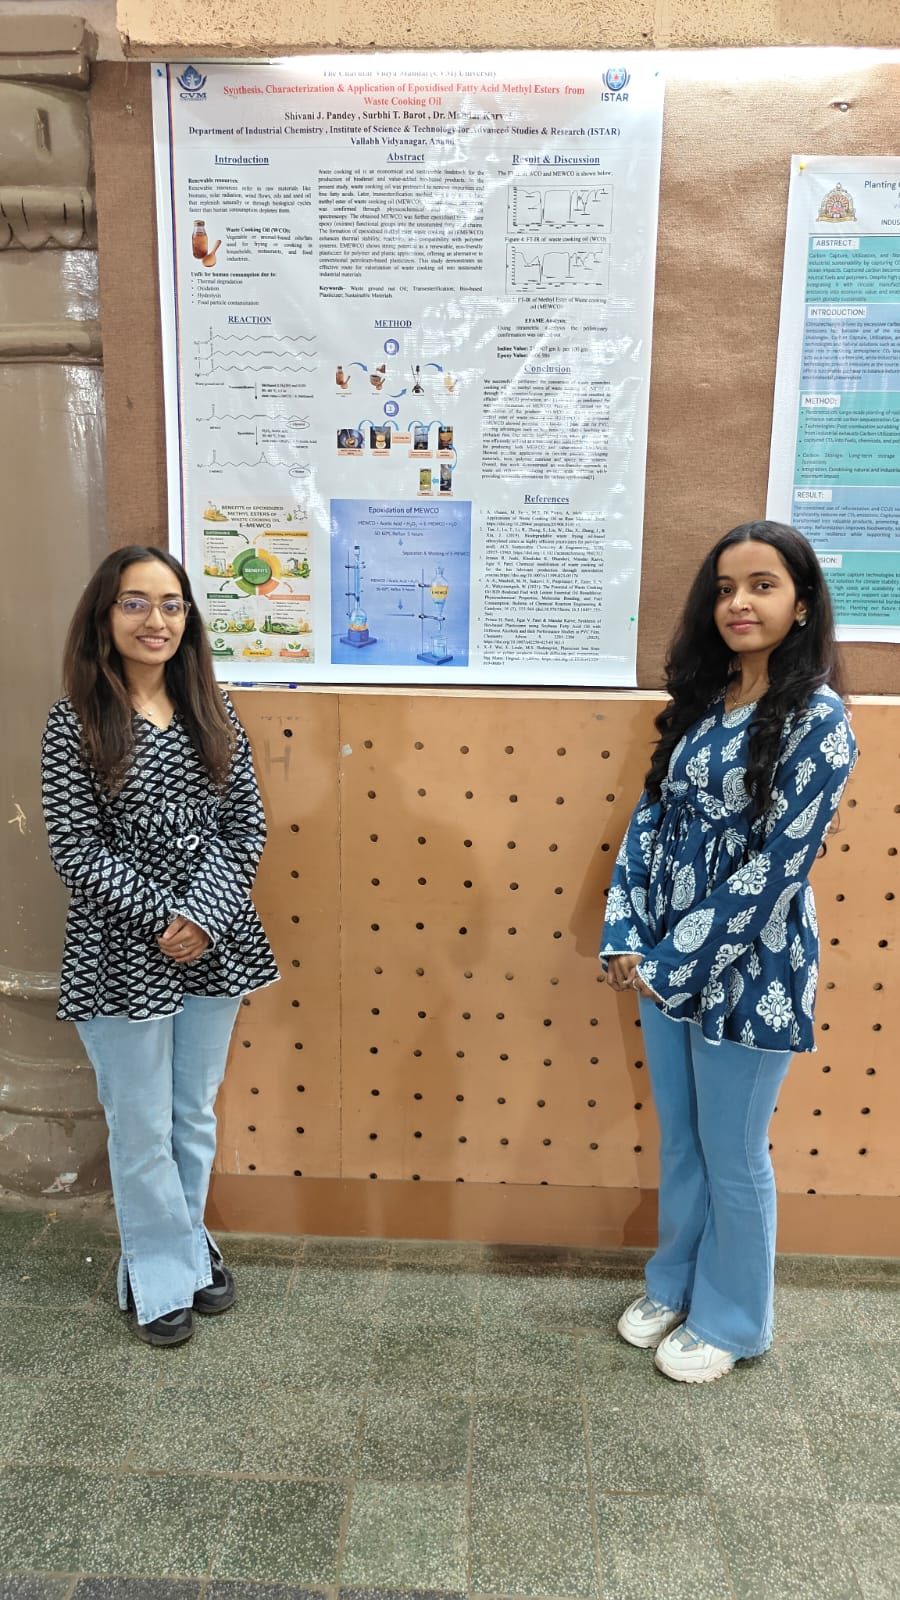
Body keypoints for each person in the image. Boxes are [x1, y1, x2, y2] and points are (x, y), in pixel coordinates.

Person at [600, 521, 857, 1384]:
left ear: (803, 603)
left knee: (734, 1151)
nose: (738, 603)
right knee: (682, 1140)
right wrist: (627, 933)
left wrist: (673, 960)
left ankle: (734, 1318)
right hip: (659, 962)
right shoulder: (704, 703)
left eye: (761, 585)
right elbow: (650, 820)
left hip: (756, 967)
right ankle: (673, 1282)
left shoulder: (820, 721)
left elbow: (780, 867)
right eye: (723, 589)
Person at [41, 546, 279, 1347]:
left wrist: (201, 916)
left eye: (172, 604)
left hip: (215, 942)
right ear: (104, 616)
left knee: (191, 1116)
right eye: (136, 603)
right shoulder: (74, 721)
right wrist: (161, 919)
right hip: (119, 949)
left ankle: (175, 1250)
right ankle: (168, 1273)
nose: (157, 620)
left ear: (189, 619)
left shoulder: (213, 708)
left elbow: (246, 826)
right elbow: (75, 849)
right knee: (140, 1126)